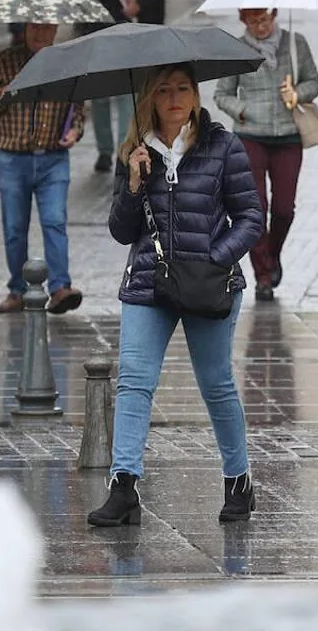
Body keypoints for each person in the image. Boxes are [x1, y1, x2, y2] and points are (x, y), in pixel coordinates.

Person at [87, 65, 263, 528]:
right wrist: (132, 183)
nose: (173, 98)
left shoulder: (222, 146)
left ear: (195, 94)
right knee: (134, 382)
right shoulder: (135, 151)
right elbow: (121, 230)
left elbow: (250, 217)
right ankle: (123, 486)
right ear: (149, 97)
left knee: (216, 383)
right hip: (149, 280)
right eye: (163, 90)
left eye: (182, 88)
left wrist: (215, 257)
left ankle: (238, 481)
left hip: (209, 281)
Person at [0, 23, 86, 315]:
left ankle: (60, 288)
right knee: (14, 228)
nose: (39, 33)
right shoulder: (7, 60)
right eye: (34, 27)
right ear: (25, 28)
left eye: (45, 27)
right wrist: (7, 91)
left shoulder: (66, 63)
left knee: (55, 221)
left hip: (53, 158)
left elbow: (78, 110)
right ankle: (17, 290)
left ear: (55, 29)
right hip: (12, 157)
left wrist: (75, 131)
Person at [214, 9, 318, 302]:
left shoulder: (294, 43)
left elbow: (315, 81)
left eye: (265, 19)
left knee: (285, 208)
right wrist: (243, 110)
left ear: (274, 15)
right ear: (243, 21)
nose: (261, 26)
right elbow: (222, 94)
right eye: (253, 21)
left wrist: (297, 93)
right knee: (256, 209)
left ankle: (273, 255)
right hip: (251, 137)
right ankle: (263, 275)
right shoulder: (235, 50)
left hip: (289, 136)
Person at [88, 0, 144, 173]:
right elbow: (77, 6)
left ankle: (125, 148)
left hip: (128, 38)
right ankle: (104, 150)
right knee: (99, 97)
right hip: (98, 39)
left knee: (126, 95)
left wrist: (139, 7)